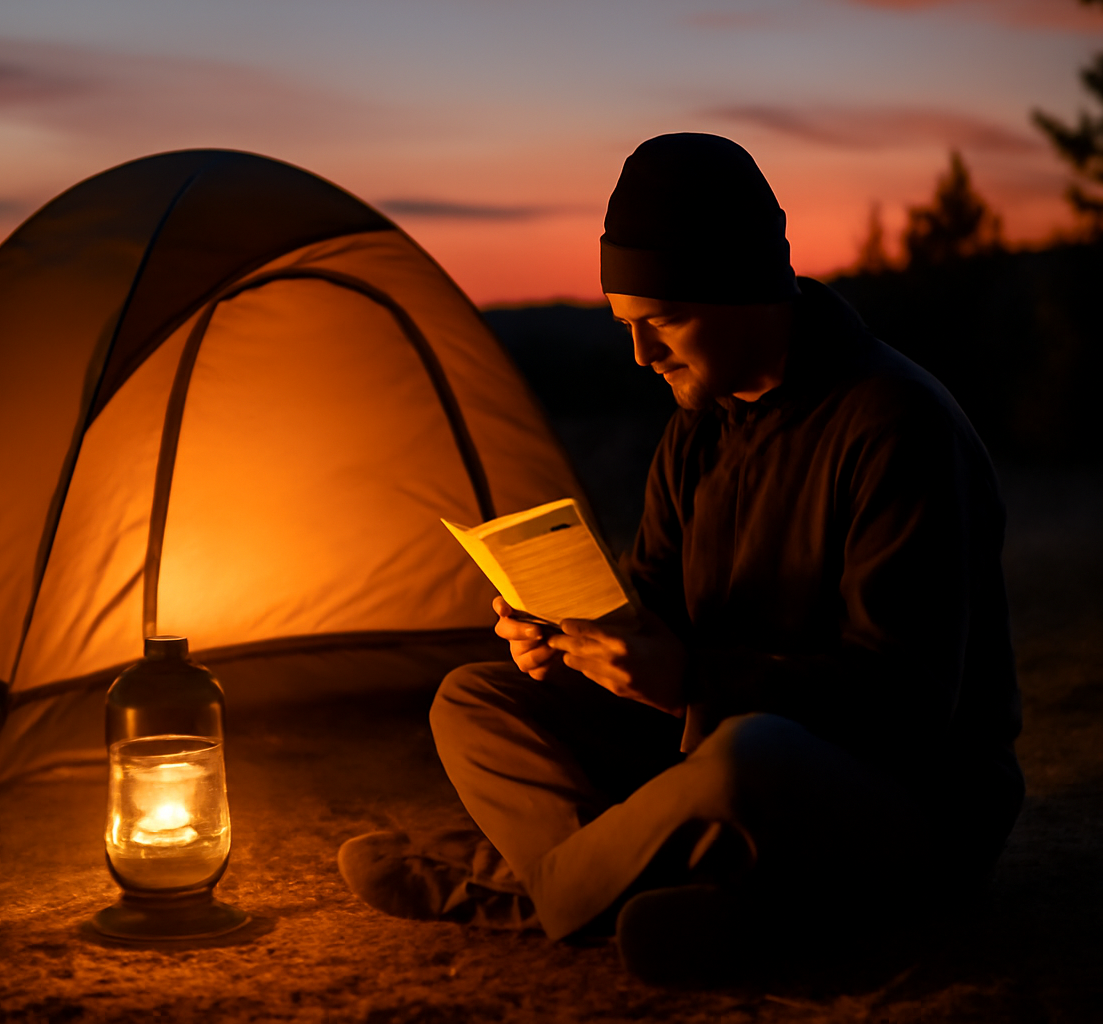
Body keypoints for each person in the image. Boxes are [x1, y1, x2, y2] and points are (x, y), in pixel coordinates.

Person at [337, 132, 1023, 985]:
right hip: (701, 755)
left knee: (748, 757)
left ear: (743, 287)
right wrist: (571, 642)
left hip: (902, 797)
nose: (640, 354)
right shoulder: (694, 435)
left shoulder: (895, 425)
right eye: (626, 326)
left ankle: (517, 888)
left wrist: (692, 681)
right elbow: (654, 616)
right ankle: (666, 893)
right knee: (473, 700)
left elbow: (907, 707)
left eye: (660, 321)